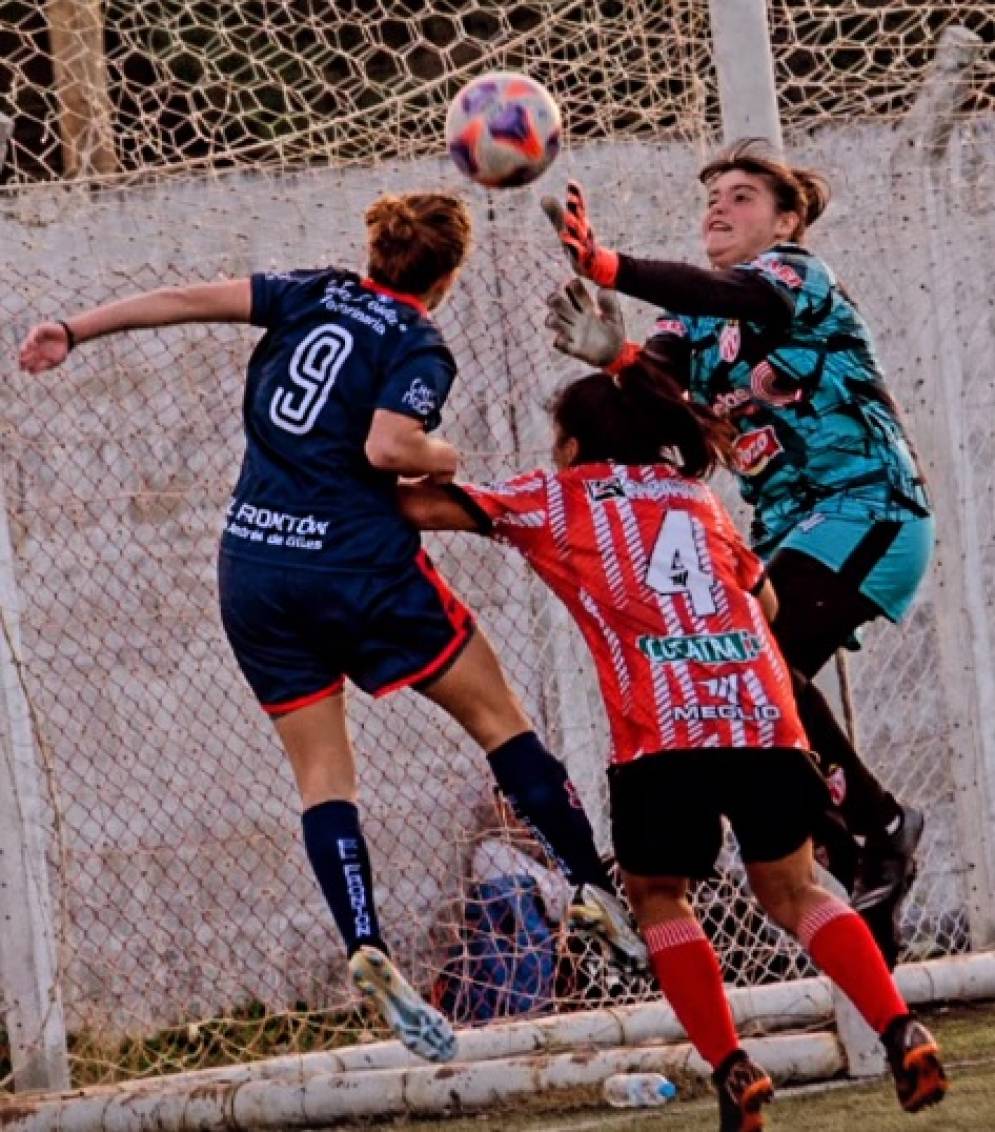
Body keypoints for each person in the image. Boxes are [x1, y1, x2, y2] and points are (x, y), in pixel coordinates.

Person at [17, 190, 645, 1064]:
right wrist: (444, 453)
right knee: (499, 720)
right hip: (356, 568)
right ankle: (590, 883)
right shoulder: (417, 341)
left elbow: (188, 299)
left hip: (253, 570)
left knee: (322, 775)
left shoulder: (312, 292)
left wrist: (73, 329)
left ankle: (365, 942)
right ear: (448, 276)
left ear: (374, 251)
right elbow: (389, 449)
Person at [397, 358, 947, 1128]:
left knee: (659, 897)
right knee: (796, 893)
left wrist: (367, 463)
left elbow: (423, 509)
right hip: (761, 716)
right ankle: (899, 1028)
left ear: (575, 442)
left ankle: (730, 1067)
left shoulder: (557, 498)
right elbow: (767, 598)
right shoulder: (698, 500)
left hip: (662, 736)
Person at [540, 138, 933, 963]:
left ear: (786, 220)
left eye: (743, 195)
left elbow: (716, 285)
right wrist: (614, 357)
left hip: (865, 509)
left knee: (758, 656)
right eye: (713, 194)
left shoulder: (795, 276)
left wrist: (607, 262)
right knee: (747, 678)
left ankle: (877, 825)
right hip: (783, 531)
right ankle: (856, 852)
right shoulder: (693, 323)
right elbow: (654, 401)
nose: (719, 206)